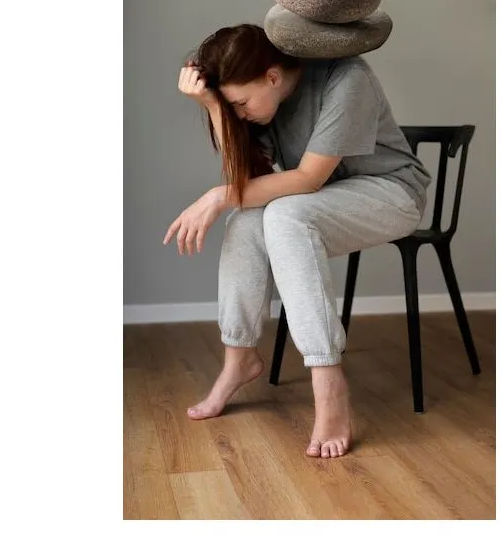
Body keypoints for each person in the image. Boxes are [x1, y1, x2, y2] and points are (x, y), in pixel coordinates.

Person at [163, 23, 431, 459]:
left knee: (284, 214)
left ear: (271, 75)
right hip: (324, 200)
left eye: (241, 104)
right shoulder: (265, 104)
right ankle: (240, 359)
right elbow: (247, 183)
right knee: (246, 222)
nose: (241, 114)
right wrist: (214, 107)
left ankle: (329, 383)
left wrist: (216, 197)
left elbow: (307, 180)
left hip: (392, 193)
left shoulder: (347, 78)